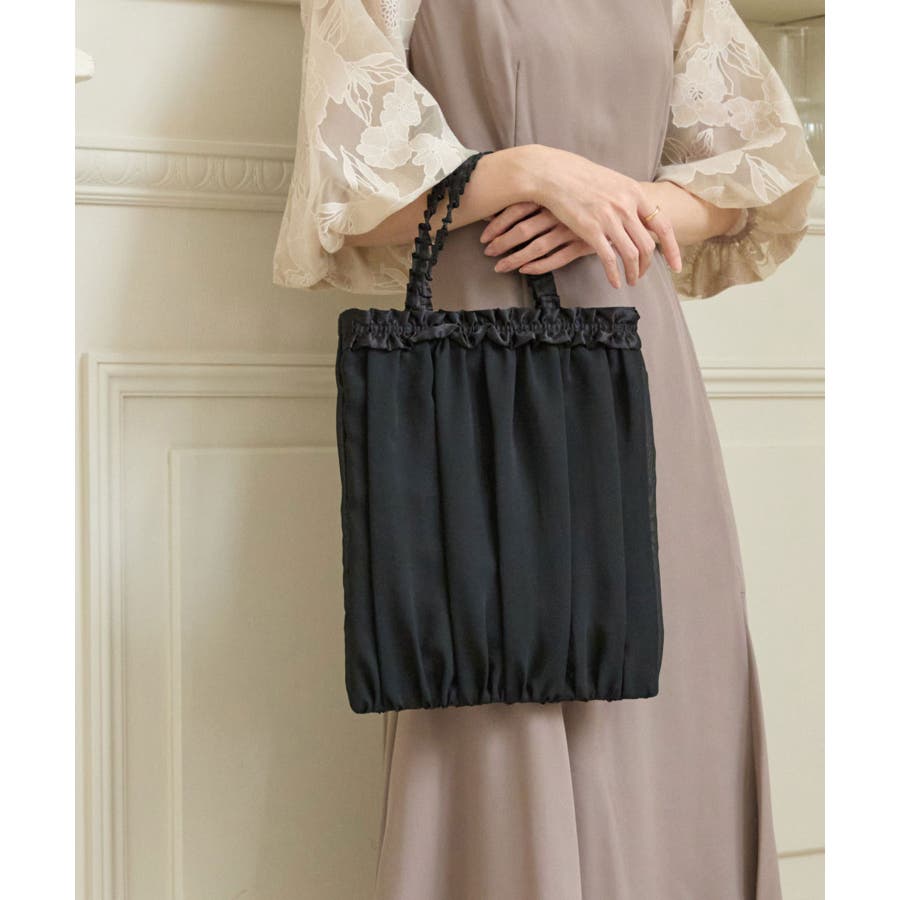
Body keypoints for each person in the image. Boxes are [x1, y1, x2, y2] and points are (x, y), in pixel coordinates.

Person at [274, 1, 821, 898]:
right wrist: (527, 172)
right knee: (500, 698)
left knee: (671, 704)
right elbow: (347, 192)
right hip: (483, 376)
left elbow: (759, 174)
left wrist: (622, 203)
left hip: (644, 375)